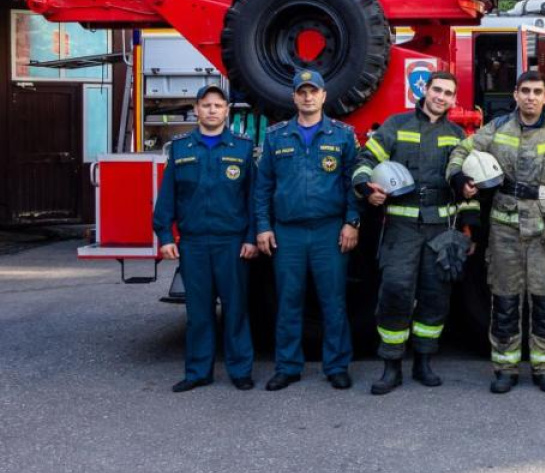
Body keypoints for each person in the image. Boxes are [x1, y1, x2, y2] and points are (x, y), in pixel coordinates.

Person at [447, 70, 545, 394]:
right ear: (515, 94)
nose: (530, 97)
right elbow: (460, 152)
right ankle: (505, 368)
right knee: (505, 301)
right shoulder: (496, 129)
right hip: (505, 227)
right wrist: (458, 178)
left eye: (537, 91)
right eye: (525, 91)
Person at [351, 71, 473, 395]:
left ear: (453, 99)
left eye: (448, 93)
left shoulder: (457, 135)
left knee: (435, 297)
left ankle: (423, 361)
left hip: (440, 230)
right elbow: (365, 159)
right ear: (425, 90)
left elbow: (469, 182)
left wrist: (469, 226)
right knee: (394, 292)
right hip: (401, 228)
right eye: (437, 90)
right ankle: (391, 365)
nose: (441, 97)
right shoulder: (396, 125)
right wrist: (366, 187)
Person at [254, 70, 361, 391]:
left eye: (313, 91)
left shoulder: (342, 135)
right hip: (288, 233)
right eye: (302, 92)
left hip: (329, 231)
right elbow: (262, 187)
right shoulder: (276, 137)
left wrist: (351, 222)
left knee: (333, 302)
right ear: (294, 97)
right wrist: (262, 227)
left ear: (324, 96)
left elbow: (352, 183)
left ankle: (337, 365)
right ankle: (287, 366)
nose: (307, 97)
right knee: (288, 302)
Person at [152, 85, 257, 392]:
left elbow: (253, 198)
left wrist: (251, 236)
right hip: (194, 243)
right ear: (196, 109)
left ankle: (240, 371)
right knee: (198, 312)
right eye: (206, 105)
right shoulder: (181, 148)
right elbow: (168, 195)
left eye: (218, 105)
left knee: (236, 310)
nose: (212, 110)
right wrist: (164, 235)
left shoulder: (242, 148)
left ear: (227, 111)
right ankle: (198, 371)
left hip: (232, 243)